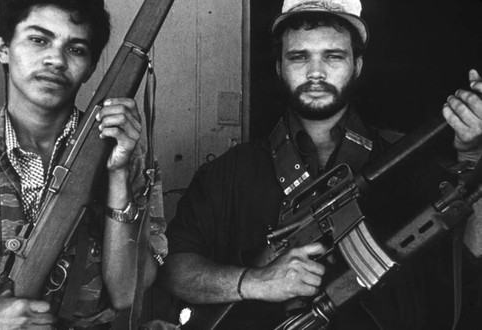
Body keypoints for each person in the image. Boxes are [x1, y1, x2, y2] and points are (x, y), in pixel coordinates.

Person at [158, 0, 482, 329]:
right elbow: (173, 270)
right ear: (278, 67)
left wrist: (475, 159)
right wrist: (255, 281)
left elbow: (470, 256)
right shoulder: (227, 173)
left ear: (357, 65)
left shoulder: (407, 159)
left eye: (333, 56)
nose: (316, 72)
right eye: (299, 57)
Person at [0, 0, 166, 328]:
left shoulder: (125, 154)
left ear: (92, 67)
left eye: (76, 49)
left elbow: (127, 292)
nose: (56, 59)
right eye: (38, 40)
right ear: (3, 48)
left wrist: (118, 173)